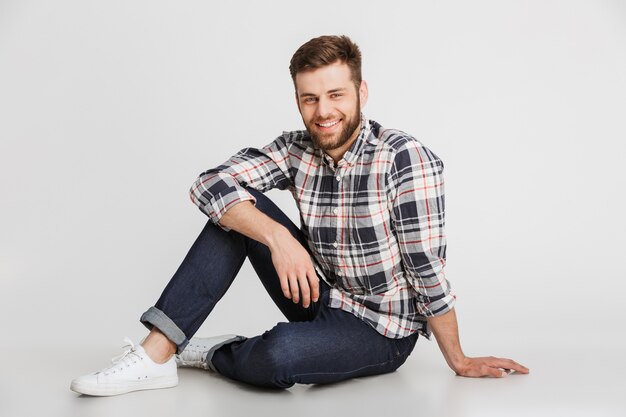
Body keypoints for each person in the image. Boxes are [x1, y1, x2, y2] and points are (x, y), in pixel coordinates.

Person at [70, 35, 529, 396]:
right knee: (234, 209)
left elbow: (426, 269)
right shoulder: (296, 149)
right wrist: (278, 237)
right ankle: (157, 354)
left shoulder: (405, 159)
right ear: (297, 99)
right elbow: (208, 183)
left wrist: (459, 359)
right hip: (319, 293)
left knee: (280, 357)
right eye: (309, 98)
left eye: (335, 94)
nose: (323, 112)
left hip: (379, 330)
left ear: (361, 92)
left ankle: (212, 353)